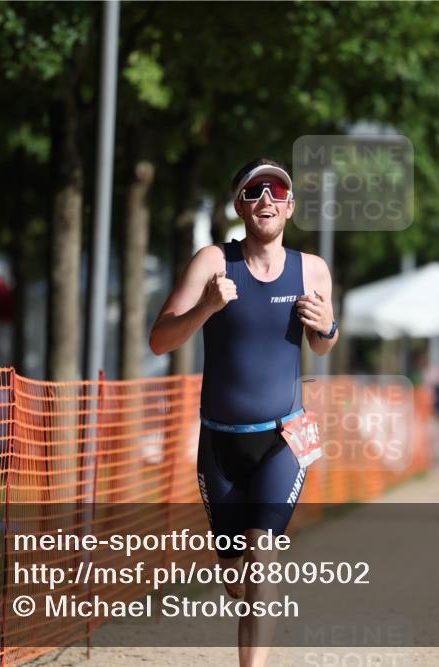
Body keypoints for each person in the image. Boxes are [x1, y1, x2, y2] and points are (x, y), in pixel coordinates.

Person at [149, 158, 338, 667]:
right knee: (237, 580)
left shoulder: (312, 269)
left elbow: (321, 348)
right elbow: (159, 340)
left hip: (284, 438)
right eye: (255, 191)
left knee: (263, 558)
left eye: (277, 191)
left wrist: (328, 328)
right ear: (240, 204)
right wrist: (206, 307)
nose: (266, 200)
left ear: (291, 206)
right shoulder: (212, 262)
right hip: (220, 443)